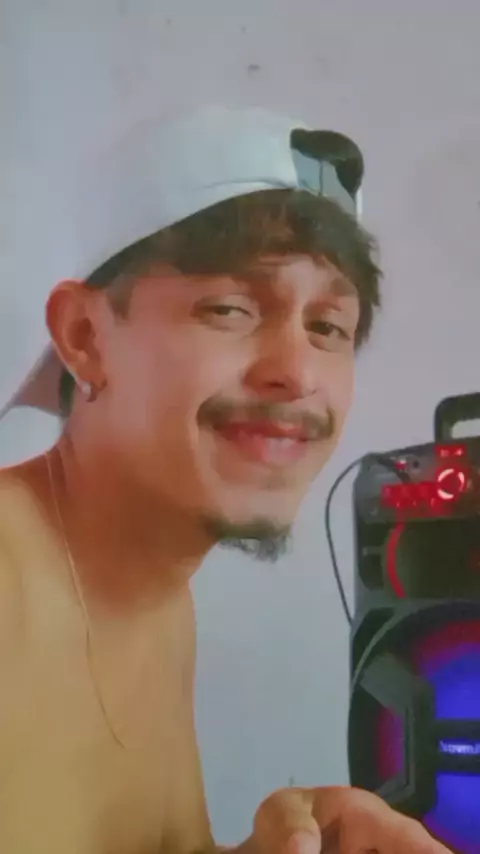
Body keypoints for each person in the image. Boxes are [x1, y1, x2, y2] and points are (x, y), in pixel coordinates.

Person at [0, 105, 449, 854]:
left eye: (328, 327)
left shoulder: (157, 599)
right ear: (85, 337)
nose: (297, 373)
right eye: (230, 308)